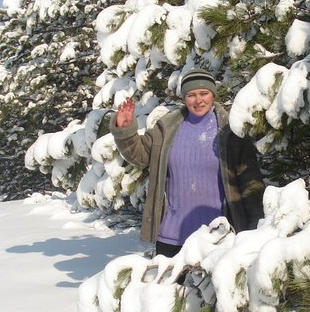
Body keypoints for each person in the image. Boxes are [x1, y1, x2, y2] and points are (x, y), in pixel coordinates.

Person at [110, 68, 265, 258]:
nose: (198, 100)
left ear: (213, 95)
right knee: (168, 288)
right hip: (171, 236)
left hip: (218, 236)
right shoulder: (167, 128)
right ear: (184, 98)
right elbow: (141, 157)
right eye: (191, 95)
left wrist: (254, 228)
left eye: (204, 93)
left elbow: (249, 183)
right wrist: (126, 131)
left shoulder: (230, 131)